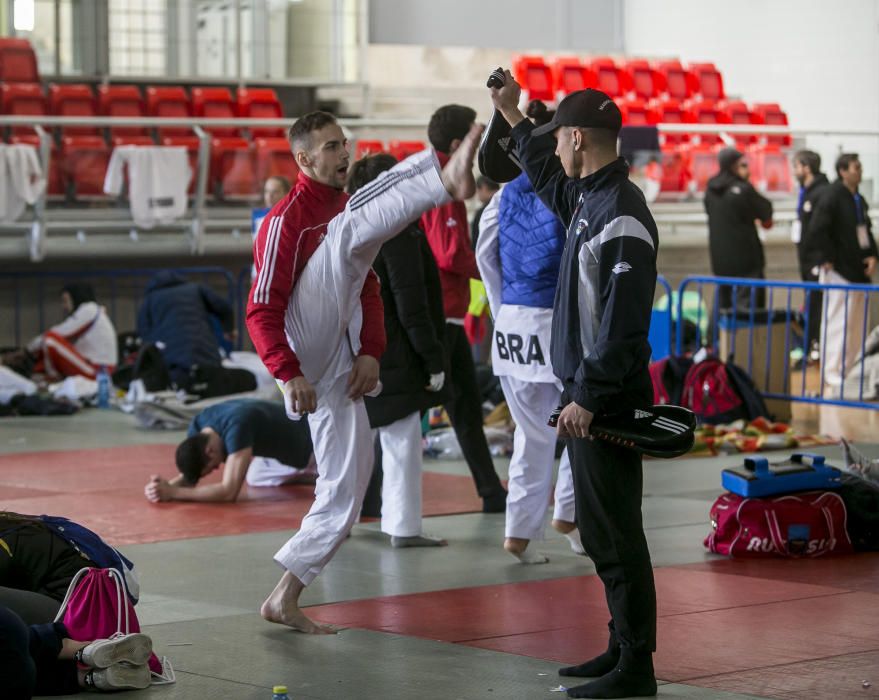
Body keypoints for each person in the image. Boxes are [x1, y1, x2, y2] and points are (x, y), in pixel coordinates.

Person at [245, 109, 482, 634]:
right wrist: (287, 372)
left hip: (337, 355)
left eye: (344, 144)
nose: (343, 154)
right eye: (331, 147)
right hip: (301, 342)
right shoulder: (287, 220)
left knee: (349, 485)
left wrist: (370, 352)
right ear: (303, 158)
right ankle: (445, 176)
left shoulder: (348, 222)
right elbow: (260, 309)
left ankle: (285, 595)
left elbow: (368, 288)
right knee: (353, 221)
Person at [491, 75, 659, 699]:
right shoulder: (589, 198)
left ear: (579, 137)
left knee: (616, 535)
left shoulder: (622, 213)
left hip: (607, 399)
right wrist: (512, 115)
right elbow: (543, 172)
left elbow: (623, 323)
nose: (552, 145)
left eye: (557, 134)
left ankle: (635, 667)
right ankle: (619, 648)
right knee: (600, 530)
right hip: (587, 393)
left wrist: (587, 394)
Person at [475, 99, 579, 564]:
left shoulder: (501, 196)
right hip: (558, 324)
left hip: (514, 326)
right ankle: (571, 512)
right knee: (585, 425)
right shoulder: (568, 192)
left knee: (530, 434)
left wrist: (504, 313)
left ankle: (518, 533)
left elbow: (486, 257)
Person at [348, 154, 450, 548]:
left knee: (353, 445)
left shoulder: (354, 227)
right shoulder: (400, 234)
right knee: (402, 441)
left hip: (359, 345)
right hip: (396, 352)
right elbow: (413, 304)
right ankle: (404, 527)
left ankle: (343, 518)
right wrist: (433, 358)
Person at [421, 104, 508, 513]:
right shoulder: (443, 187)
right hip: (441, 317)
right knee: (458, 407)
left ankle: (492, 492)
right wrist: (496, 272)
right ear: (459, 146)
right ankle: (491, 492)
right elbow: (451, 252)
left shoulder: (425, 176)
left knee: (465, 407)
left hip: (437, 313)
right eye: (471, 150)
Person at [144, 399, 316, 504]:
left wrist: (173, 493)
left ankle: (322, 473)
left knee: (243, 475)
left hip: (312, 445)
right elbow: (191, 478)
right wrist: (162, 488)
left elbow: (229, 492)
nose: (218, 466)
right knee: (254, 476)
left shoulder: (237, 426)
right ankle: (312, 473)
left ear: (210, 451)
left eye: (213, 467)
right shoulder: (199, 426)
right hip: (287, 444)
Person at [808, 153, 878, 391]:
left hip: (858, 270)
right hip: (839, 271)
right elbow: (817, 229)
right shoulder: (831, 196)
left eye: (860, 167)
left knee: (857, 325)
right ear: (842, 171)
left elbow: (865, 230)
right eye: (855, 167)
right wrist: (825, 258)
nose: (859, 171)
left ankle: (852, 371)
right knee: (838, 323)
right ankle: (833, 372)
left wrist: (872, 255)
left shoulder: (857, 198)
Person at [0, 605, 153, 695]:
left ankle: (87, 678)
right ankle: (85, 650)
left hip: (19, 684)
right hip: (15, 627)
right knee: (30, 643)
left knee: (17, 671)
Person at [704, 147, 773, 311]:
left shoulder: (710, 190)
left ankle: (717, 337)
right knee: (747, 313)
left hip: (720, 260)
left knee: (722, 307)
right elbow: (766, 215)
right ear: (734, 166)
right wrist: (746, 182)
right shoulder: (744, 189)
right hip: (747, 262)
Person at [136, 271, 234, 387]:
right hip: (205, 352)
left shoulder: (150, 299)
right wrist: (228, 330)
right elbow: (224, 307)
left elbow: (144, 332)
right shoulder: (196, 289)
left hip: (172, 360)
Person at [25, 284, 117, 380]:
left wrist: (27, 349)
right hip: (94, 367)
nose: (63, 306)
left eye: (65, 301)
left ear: (76, 297)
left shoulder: (89, 309)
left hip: (97, 370)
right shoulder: (93, 312)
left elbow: (60, 332)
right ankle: (40, 375)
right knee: (48, 344)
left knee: (49, 340)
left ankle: (52, 380)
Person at [793, 150, 831, 355]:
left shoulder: (822, 192)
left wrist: (822, 256)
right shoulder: (805, 191)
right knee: (810, 302)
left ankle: (814, 345)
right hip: (806, 260)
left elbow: (823, 229)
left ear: (806, 167)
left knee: (817, 303)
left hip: (818, 261)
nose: (794, 171)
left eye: (797, 166)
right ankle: (810, 344)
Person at [470, 175, 499, 249]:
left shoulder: (483, 213)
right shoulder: (510, 203)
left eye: (478, 190)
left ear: (484, 187)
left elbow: (477, 244)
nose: (477, 194)